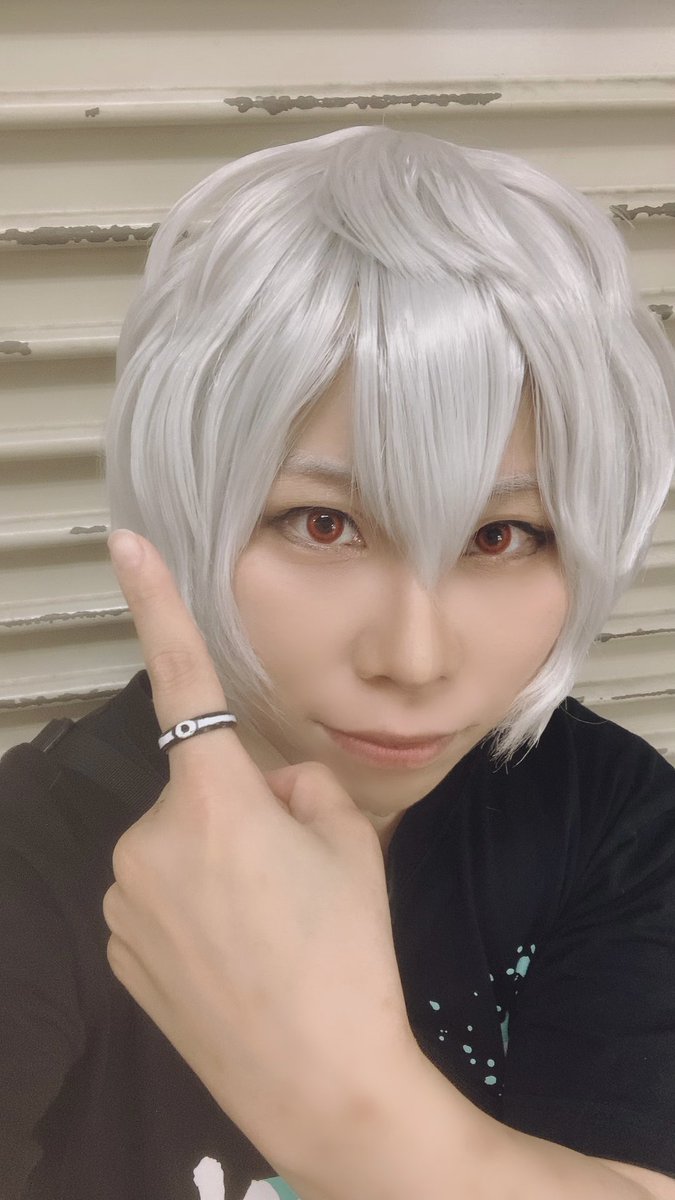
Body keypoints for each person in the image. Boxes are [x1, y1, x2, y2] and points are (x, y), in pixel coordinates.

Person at [1, 125, 674, 1200]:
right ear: (186, 503)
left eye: (500, 535)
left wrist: (347, 1114)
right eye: (324, 523)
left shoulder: (608, 816)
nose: (414, 657)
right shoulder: (39, 858)